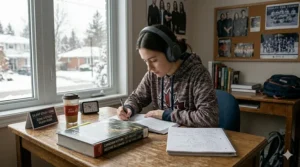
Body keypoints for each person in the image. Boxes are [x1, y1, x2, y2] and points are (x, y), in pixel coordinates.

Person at [117, 25, 219, 127]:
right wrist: (128, 108)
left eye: (153, 60)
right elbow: (136, 98)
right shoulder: (152, 75)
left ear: (171, 53)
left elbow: (209, 117)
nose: (149, 68)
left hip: (192, 139)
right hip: (162, 138)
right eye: (145, 61)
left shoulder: (198, 74)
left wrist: (166, 115)